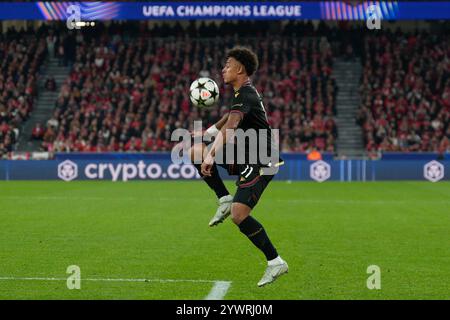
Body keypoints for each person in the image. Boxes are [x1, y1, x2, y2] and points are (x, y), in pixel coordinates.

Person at [189, 47, 288, 287]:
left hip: (263, 161)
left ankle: (275, 262)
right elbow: (227, 119)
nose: (223, 69)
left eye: (228, 65)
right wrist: (208, 133)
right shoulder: (242, 94)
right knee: (194, 151)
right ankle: (223, 197)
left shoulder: (246, 93)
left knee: (239, 214)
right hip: (247, 155)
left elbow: (232, 124)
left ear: (240, 69)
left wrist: (212, 155)